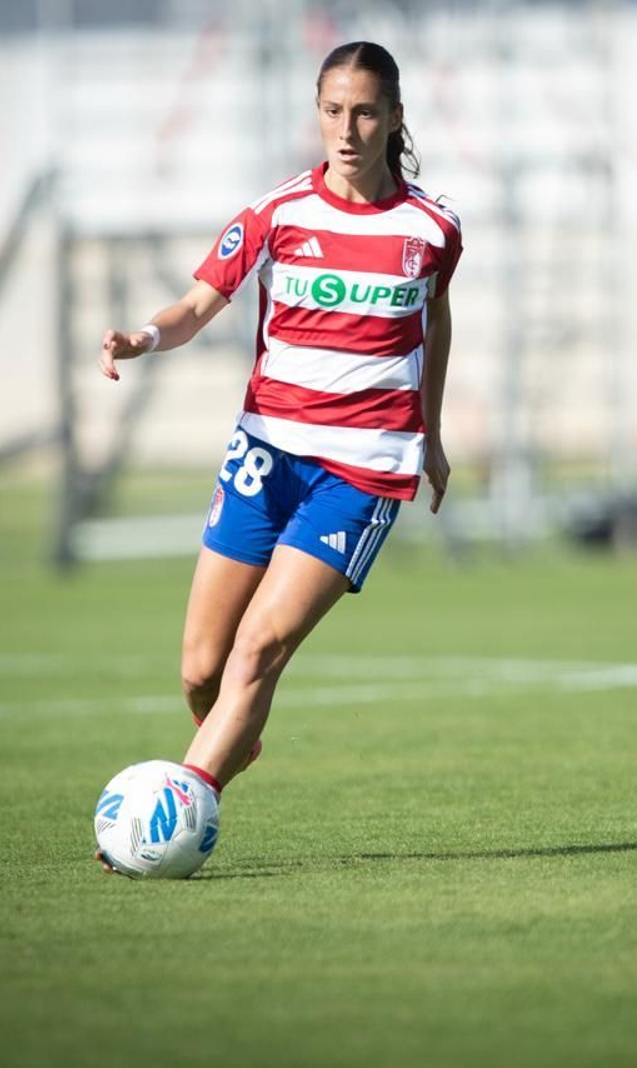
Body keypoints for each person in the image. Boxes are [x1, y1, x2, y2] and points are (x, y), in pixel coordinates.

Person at [95, 41, 460, 842]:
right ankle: (233, 737)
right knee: (202, 669)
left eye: (365, 113)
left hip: (362, 472)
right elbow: (196, 306)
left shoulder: (432, 228)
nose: (347, 130)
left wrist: (429, 433)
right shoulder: (277, 214)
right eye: (333, 111)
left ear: (395, 117)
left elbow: (434, 320)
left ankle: (169, 822)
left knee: (259, 648)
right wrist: (142, 338)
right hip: (265, 456)